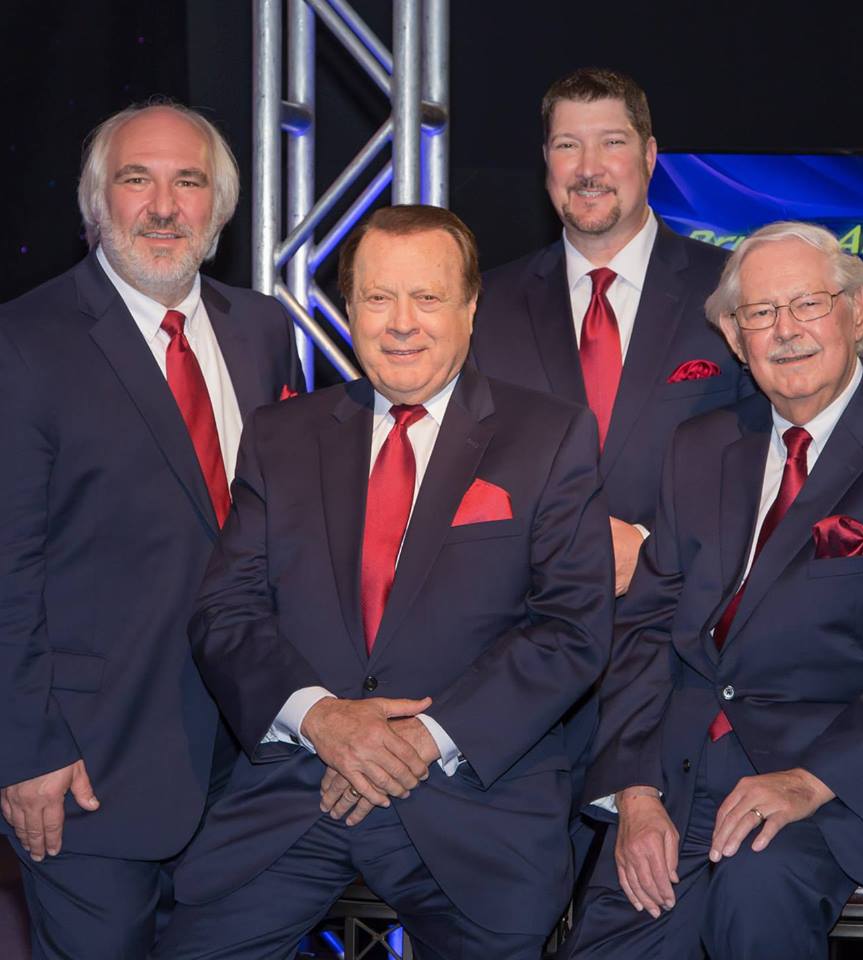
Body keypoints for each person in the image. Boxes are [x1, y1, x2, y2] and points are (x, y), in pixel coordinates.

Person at [151, 204, 614, 960]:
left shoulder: (550, 436)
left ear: (470, 307)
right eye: (377, 298)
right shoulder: (281, 435)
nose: (402, 323)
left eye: (427, 297)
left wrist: (420, 740)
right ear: (349, 308)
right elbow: (225, 612)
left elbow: (571, 629)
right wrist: (324, 721)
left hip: (473, 805)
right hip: (299, 793)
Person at [561, 221, 863, 960]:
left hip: (839, 780)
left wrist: (811, 780)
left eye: (808, 304)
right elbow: (643, 630)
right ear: (735, 340)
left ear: (857, 313)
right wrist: (636, 791)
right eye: (761, 313)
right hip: (682, 772)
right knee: (613, 935)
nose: (786, 330)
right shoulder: (700, 447)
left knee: (753, 899)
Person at [0, 100, 304, 959]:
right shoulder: (22, 343)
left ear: (221, 207)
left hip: (247, 772)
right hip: (86, 772)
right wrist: (23, 752)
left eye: (189, 182)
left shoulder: (265, 331)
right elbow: (6, 568)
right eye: (138, 179)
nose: (164, 207)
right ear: (98, 201)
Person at [473, 67, 752, 598]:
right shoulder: (486, 306)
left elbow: (770, 451)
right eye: (568, 145)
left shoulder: (732, 287)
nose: (588, 168)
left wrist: (652, 545)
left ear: (649, 155)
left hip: (685, 614)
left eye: (612, 142)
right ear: (546, 160)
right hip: (526, 617)